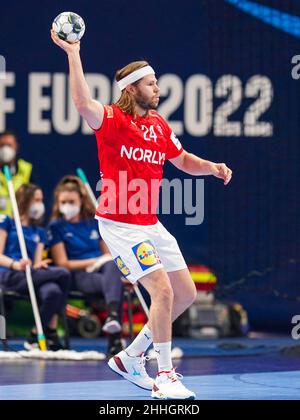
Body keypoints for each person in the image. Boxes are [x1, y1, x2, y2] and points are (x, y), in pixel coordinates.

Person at [51, 30, 232, 400]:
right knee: (162, 291)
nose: (158, 89)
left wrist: (211, 166)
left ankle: (131, 356)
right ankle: (164, 375)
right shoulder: (113, 120)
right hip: (120, 225)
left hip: (150, 223)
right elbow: (83, 102)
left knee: (185, 293)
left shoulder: (159, 125)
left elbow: (182, 160)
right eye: (151, 84)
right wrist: (73, 53)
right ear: (132, 89)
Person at [48, 175, 124, 357]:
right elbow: (63, 263)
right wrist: (94, 261)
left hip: (103, 271)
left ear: (81, 200)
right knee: (114, 283)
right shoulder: (56, 227)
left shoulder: (94, 223)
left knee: (113, 270)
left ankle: (113, 319)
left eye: (71, 201)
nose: (67, 205)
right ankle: (115, 340)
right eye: (63, 202)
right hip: (78, 274)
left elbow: (108, 255)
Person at [0, 183, 72, 350]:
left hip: (30, 276)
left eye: (41, 200)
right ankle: (51, 332)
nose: (40, 204)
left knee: (53, 292)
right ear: (25, 201)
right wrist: (15, 264)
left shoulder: (39, 232)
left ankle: (34, 335)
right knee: (63, 273)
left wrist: (39, 264)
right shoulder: (7, 222)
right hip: (9, 275)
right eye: (36, 200)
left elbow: (37, 261)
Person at [0, 130, 33, 216]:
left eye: (9, 145)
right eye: (2, 145)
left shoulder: (26, 169)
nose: (5, 149)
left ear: (16, 146)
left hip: (18, 223)